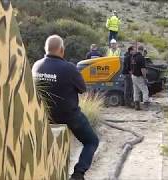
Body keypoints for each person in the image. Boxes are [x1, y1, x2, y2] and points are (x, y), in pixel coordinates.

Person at [32, 35, 99, 180]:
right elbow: (82, 89)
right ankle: (78, 173)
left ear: (46, 49)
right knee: (92, 141)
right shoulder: (69, 68)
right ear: (62, 50)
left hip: (43, 116)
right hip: (68, 116)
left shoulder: (36, 66)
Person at [130, 45, 150, 110]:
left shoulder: (133, 57)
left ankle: (137, 106)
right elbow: (143, 69)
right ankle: (145, 106)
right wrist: (145, 78)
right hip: (139, 76)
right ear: (142, 50)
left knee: (136, 91)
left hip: (133, 76)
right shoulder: (141, 58)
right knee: (145, 91)